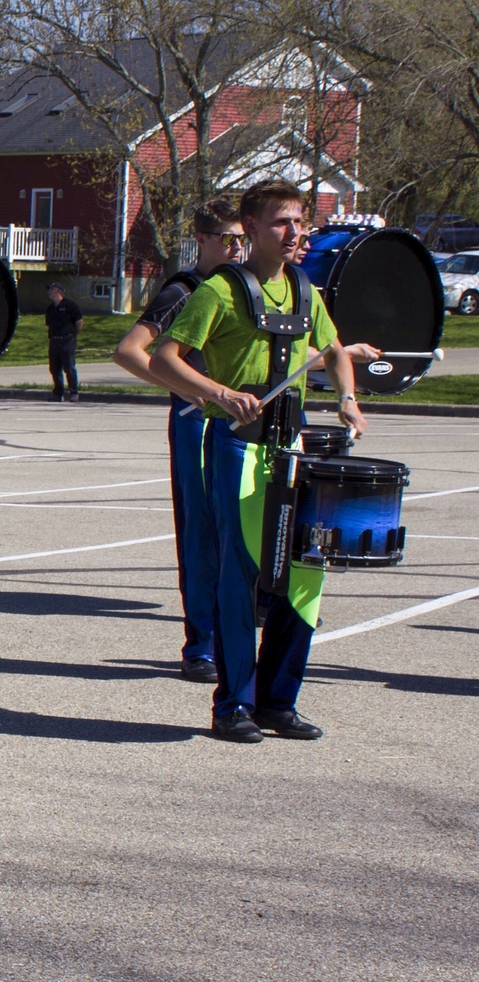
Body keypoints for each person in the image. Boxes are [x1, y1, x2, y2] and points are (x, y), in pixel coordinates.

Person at [148, 180, 365, 744]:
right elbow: (162, 359)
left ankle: (278, 701)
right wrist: (217, 392)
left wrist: (347, 397)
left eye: (298, 221)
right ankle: (233, 705)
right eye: (280, 223)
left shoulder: (303, 288)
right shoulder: (217, 292)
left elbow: (334, 349)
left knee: (304, 574)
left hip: (293, 446)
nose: (295, 233)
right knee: (240, 576)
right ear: (250, 229)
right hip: (237, 446)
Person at [114, 203, 248, 683]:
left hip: (245, 420)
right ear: (203, 239)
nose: (236, 248)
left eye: (242, 239)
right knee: (202, 532)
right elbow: (129, 352)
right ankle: (201, 644)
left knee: (247, 526)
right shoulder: (185, 290)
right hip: (199, 420)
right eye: (228, 238)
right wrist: (191, 391)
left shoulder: (246, 289)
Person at [43, 280, 84, 401]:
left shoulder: (70, 306)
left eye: (51, 289)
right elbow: (49, 324)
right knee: (54, 368)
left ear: (59, 291)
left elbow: (79, 322)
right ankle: (58, 393)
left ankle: (73, 392)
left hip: (67, 340)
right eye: (49, 290)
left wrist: (72, 335)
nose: (49, 292)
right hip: (54, 340)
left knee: (69, 367)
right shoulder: (50, 308)